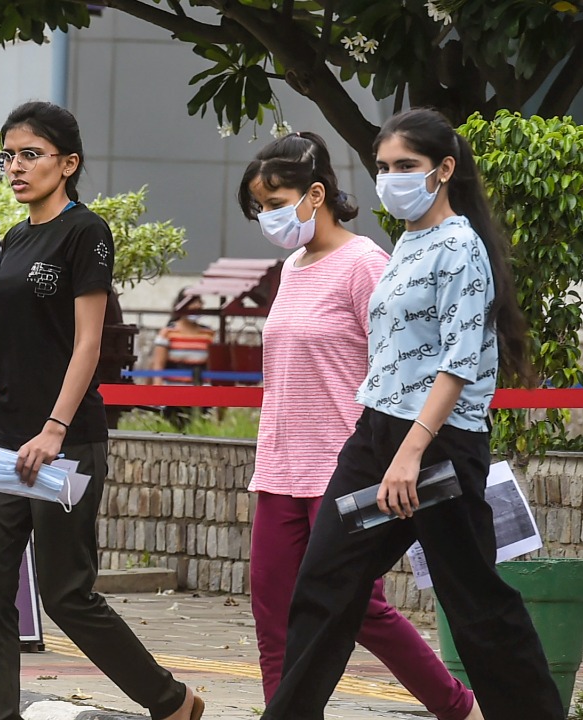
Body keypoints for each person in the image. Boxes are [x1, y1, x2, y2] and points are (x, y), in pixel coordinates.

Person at [261, 110, 561, 719]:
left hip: (438, 442)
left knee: (473, 600)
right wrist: (383, 442)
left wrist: (411, 452)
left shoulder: (460, 246)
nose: (391, 178)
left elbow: (458, 361)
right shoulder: (406, 243)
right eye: (383, 168)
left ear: (444, 170)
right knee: (323, 584)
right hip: (375, 434)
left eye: (406, 167)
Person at [0, 100, 203, 720]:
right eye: (9, 155)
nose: (16, 167)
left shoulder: (85, 232)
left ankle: (172, 701)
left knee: (66, 594)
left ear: (68, 163)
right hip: (2, 440)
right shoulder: (15, 235)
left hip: (64, 443)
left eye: (31, 155)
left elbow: (88, 343)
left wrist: (54, 427)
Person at [238, 131, 480, 720]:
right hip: (279, 466)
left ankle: (459, 707)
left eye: (275, 204)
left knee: (360, 607)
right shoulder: (292, 266)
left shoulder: (366, 263)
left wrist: (407, 450)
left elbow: (408, 362)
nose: (267, 218)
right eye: (259, 209)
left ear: (314, 194)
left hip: (348, 463)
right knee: (273, 614)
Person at [148, 289, 214, 385]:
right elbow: (158, 367)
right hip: (172, 391)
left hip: (199, 392)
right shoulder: (167, 333)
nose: (197, 306)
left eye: (199, 302)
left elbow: (211, 367)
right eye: (192, 303)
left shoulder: (208, 334)